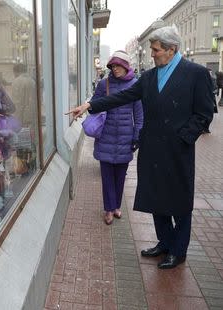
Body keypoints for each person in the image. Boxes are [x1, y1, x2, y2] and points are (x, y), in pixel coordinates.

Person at [67, 26, 214, 269]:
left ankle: (178, 251)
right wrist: (89, 106)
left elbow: (204, 113)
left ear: (171, 49)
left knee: (178, 201)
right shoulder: (148, 77)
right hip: (152, 149)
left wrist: (183, 139)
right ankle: (165, 242)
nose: (152, 54)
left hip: (177, 151)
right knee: (157, 197)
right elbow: (121, 97)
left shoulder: (195, 74)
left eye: (155, 50)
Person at [91, 51, 143, 225]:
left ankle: (116, 206)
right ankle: (108, 209)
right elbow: (94, 105)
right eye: (112, 66)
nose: (115, 69)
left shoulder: (135, 85)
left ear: (126, 65)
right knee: (107, 177)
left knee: (120, 176)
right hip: (105, 136)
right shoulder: (103, 84)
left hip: (125, 138)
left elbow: (139, 114)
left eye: (118, 65)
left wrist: (137, 136)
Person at [11, 63, 36, 129]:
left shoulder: (16, 82)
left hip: (20, 116)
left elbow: (16, 102)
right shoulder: (32, 81)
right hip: (32, 115)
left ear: (16, 72)